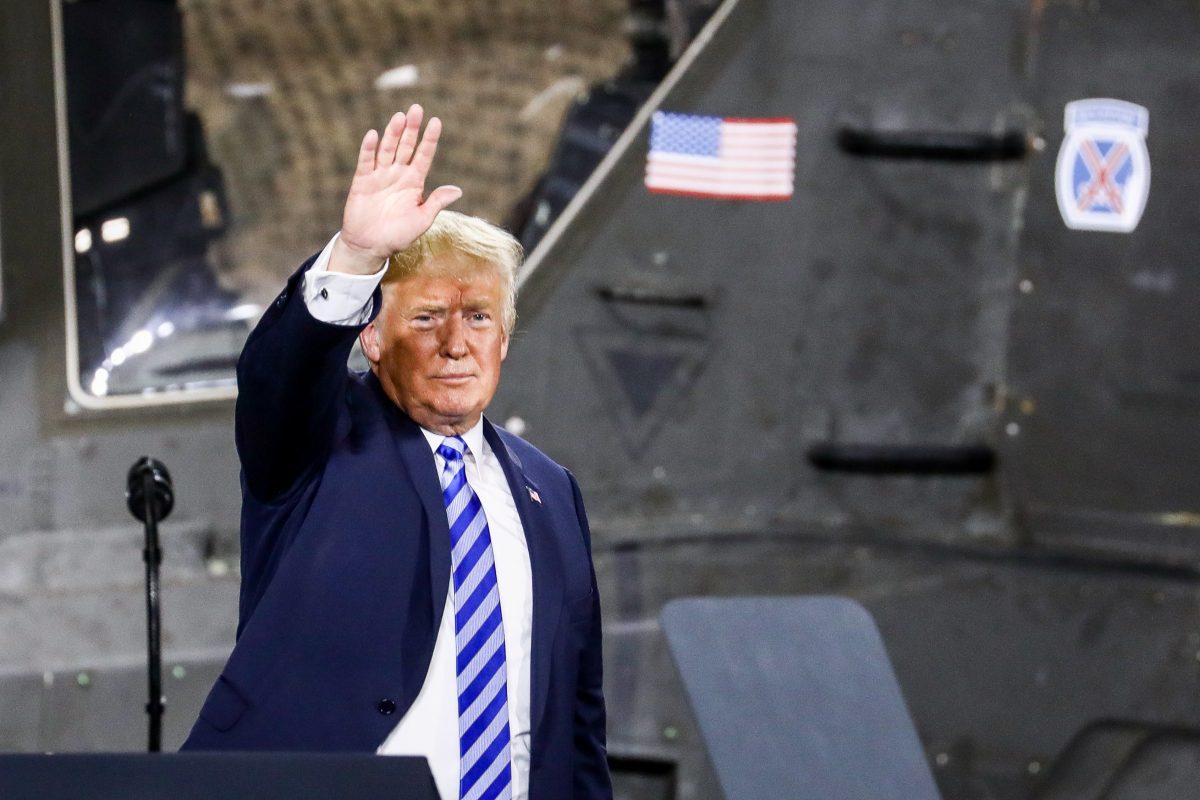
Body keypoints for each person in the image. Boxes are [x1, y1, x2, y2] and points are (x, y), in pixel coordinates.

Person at [182, 105, 612, 800]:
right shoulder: (322, 441)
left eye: (478, 317)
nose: (455, 342)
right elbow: (279, 377)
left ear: (504, 340)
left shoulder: (550, 489)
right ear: (373, 338)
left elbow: (575, 715)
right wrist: (354, 259)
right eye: (425, 316)